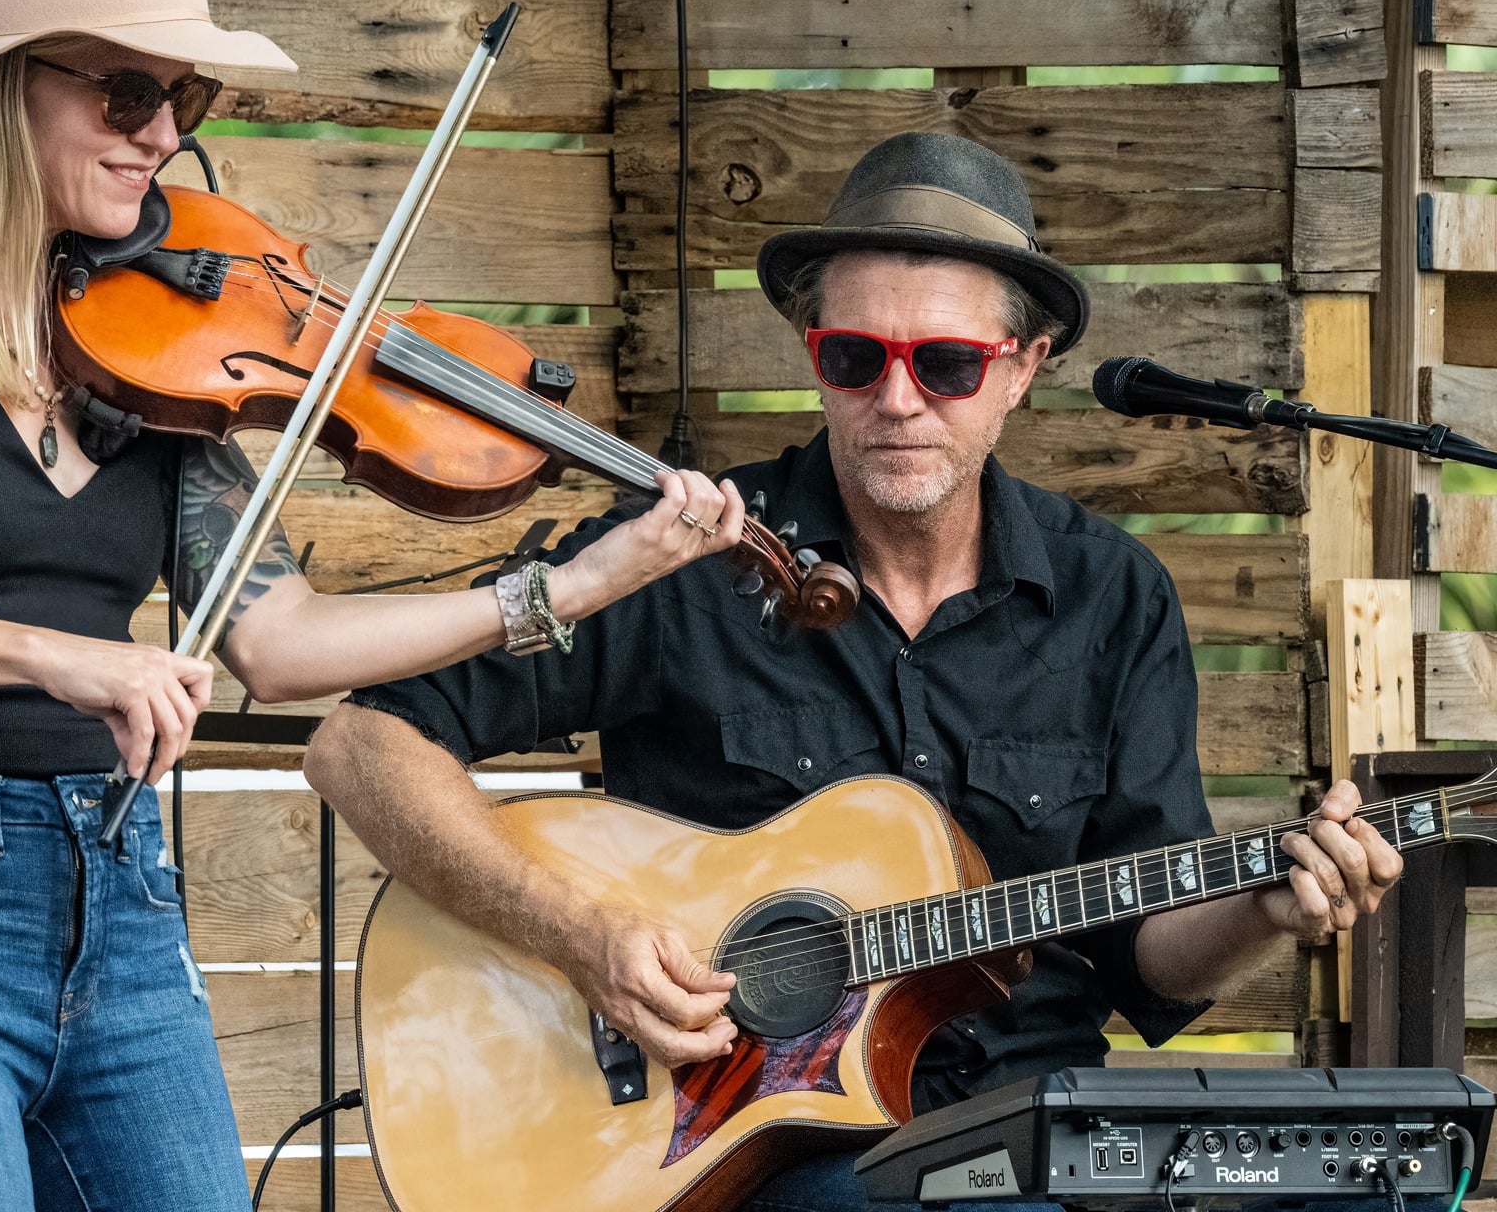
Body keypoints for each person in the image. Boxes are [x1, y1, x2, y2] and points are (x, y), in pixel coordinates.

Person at [0, 0, 740, 1212]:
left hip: (114, 875)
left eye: (186, 100)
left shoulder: (156, 358)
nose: (161, 135)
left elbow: (281, 642)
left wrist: (567, 589)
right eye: (125, 93)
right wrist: (54, 657)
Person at [304, 131, 1411, 1212]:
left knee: (1371, 1191)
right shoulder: (684, 556)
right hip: (762, 1150)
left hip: (1035, 1130)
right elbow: (360, 746)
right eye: (854, 357)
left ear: (1021, 368)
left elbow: (1148, 961)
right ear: (813, 354)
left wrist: (1265, 908)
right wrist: (580, 938)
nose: (896, 400)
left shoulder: (1112, 597)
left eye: (946, 363)